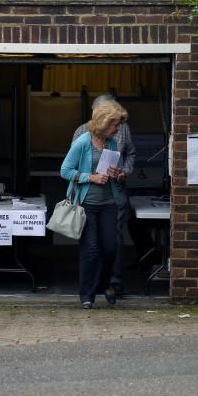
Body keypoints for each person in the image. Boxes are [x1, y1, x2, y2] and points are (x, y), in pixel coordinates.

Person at [62, 100, 128, 308]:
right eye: (115, 125)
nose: (118, 129)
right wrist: (90, 178)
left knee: (111, 248)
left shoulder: (112, 144)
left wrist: (119, 174)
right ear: (104, 123)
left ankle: (104, 284)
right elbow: (65, 171)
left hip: (109, 202)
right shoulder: (83, 142)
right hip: (87, 205)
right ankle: (87, 296)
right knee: (90, 249)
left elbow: (112, 170)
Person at [73, 94, 136, 294]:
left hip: (115, 194)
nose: (116, 126)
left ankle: (113, 283)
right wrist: (90, 177)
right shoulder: (82, 132)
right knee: (91, 244)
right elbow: (71, 165)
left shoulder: (123, 129)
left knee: (114, 240)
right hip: (89, 196)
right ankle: (91, 288)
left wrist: (124, 171)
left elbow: (131, 153)